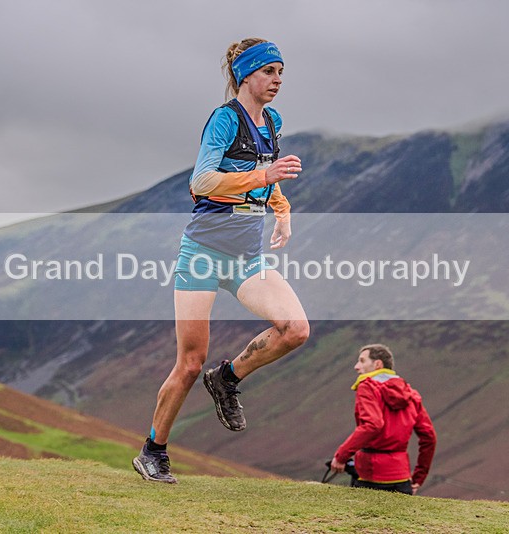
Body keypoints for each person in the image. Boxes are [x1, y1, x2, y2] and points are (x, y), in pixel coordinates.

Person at [132, 38, 309, 484]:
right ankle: (153, 451)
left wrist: (282, 211)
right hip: (204, 255)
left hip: (247, 256)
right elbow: (203, 181)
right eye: (269, 71)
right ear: (245, 75)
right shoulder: (224, 120)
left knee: (296, 330)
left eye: (280, 72)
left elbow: (269, 179)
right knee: (190, 363)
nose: (277, 80)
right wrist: (263, 176)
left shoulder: (273, 121)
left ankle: (228, 377)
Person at [330, 344, 436, 495]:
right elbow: (429, 437)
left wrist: (341, 456)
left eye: (362, 361)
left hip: (369, 475)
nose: (356, 366)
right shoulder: (411, 394)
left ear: (377, 364)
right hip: (402, 479)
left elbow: (373, 425)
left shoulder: (367, 387)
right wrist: (418, 478)